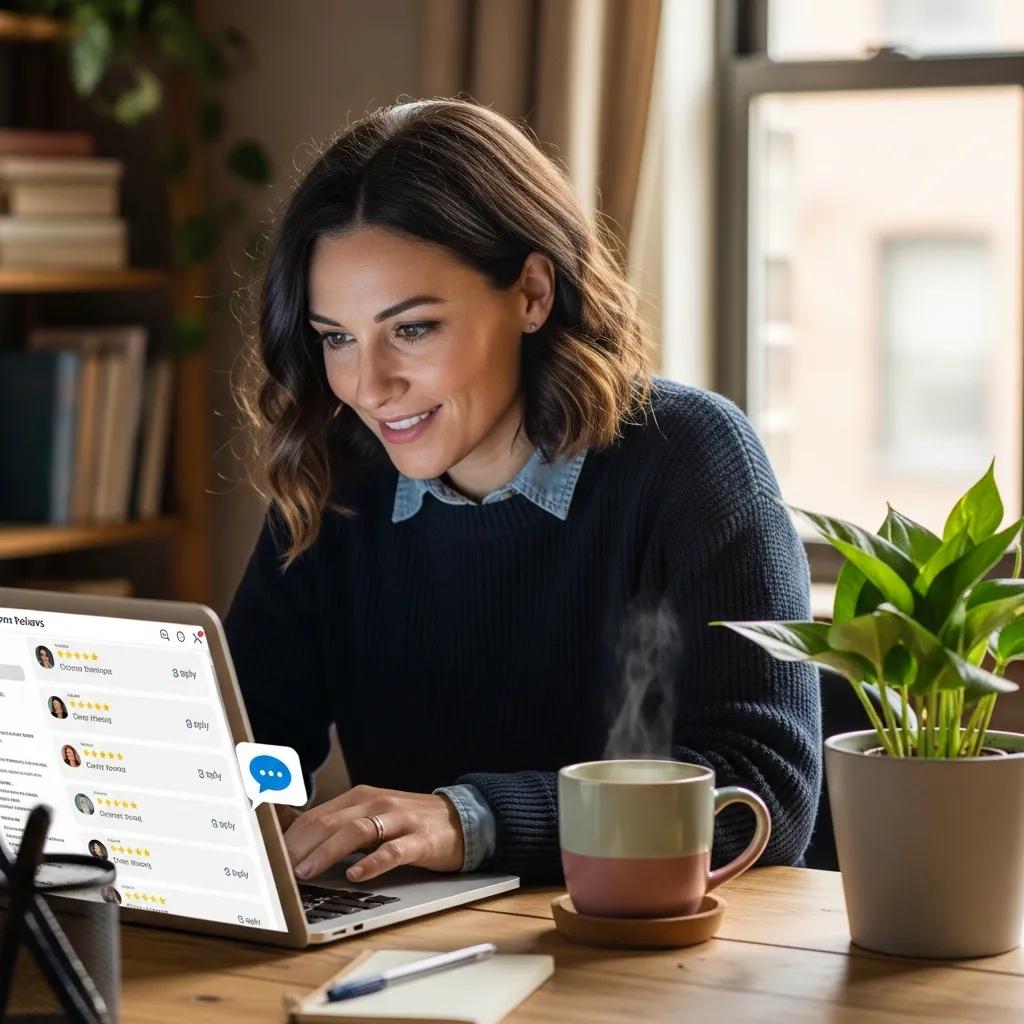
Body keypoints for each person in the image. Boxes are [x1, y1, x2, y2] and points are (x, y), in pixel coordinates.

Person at [225, 97, 821, 888]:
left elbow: (764, 794)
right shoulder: (339, 477)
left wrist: (470, 820)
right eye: (337, 337)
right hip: (412, 952)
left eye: (412, 329)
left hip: (644, 958)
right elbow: (253, 746)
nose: (369, 386)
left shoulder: (690, 457)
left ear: (533, 293)